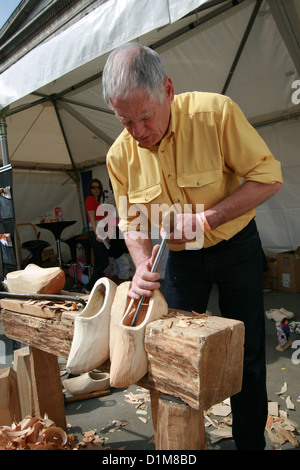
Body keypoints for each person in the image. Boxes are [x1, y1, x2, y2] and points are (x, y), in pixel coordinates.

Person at [102, 42, 283, 450]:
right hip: (180, 262)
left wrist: (206, 219)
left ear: (167, 89)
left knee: (248, 354)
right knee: (174, 357)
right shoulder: (119, 155)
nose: (138, 133)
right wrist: (143, 265)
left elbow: (269, 177)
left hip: (235, 246)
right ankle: (183, 448)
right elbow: (132, 221)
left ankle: (250, 443)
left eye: (145, 117)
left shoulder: (215, 114)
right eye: (125, 121)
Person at [84, 178, 110, 292]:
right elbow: (92, 218)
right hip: (95, 232)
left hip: (99, 232)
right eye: (93, 187)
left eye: (98, 187)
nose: (96, 189)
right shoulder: (90, 199)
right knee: (103, 261)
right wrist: (97, 233)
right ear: (90, 189)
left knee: (100, 261)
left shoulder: (96, 201)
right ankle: (89, 286)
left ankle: (93, 287)